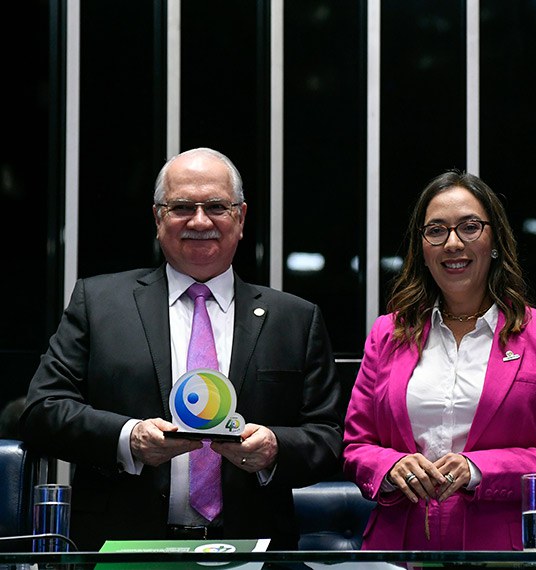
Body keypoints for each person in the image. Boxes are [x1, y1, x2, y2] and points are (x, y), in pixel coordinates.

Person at [21, 148, 343, 551]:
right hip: (123, 549)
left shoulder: (294, 318)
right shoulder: (99, 302)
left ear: (241, 218)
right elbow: (42, 410)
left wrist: (276, 448)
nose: (200, 220)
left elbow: (329, 437)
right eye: (181, 207)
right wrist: (129, 438)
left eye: (216, 206)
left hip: (255, 551)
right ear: (158, 218)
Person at [343, 170, 536, 550]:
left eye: (469, 227)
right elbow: (357, 445)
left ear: (494, 243)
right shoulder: (387, 334)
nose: (453, 243)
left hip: (501, 551)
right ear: (422, 250)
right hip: (396, 548)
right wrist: (390, 467)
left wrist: (478, 469)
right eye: (436, 231)